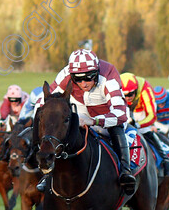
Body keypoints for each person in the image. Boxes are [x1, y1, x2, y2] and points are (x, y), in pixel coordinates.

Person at [35, 48, 136, 195]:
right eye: (78, 79)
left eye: (89, 77)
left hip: (109, 113)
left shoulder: (108, 74)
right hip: (82, 110)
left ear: (96, 72)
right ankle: (49, 175)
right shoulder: (66, 73)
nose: (83, 83)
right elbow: (43, 100)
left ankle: (126, 172)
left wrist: (93, 121)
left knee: (117, 127)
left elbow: (120, 114)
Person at [120, 73, 169, 175]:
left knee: (145, 131)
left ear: (136, 90)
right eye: (124, 95)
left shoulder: (145, 88)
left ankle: (165, 159)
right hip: (123, 110)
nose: (127, 97)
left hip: (141, 112)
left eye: (130, 94)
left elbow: (152, 116)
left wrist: (138, 124)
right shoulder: (116, 87)